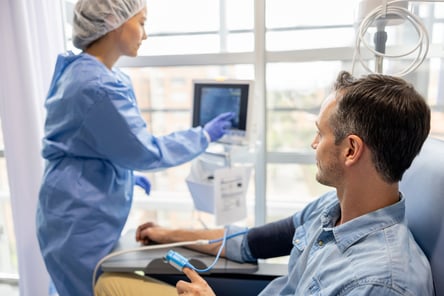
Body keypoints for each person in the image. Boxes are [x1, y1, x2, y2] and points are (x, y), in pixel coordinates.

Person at [95, 70, 434, 296]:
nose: (313, 144)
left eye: (320, 133)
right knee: (112, 283)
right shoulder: (332, 211)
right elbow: (249, 243)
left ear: (350, 149)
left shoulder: (379, 283)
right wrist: (169, 234)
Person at [35, 1, 234, 296]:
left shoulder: (86, 72)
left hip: (72, 207)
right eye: (141, 23)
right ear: (113, 21)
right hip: (76, 222)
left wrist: (122, 175)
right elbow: (145, 150)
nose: (145, 34)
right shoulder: (96, 86)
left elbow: (93, 143)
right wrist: (202, 135)